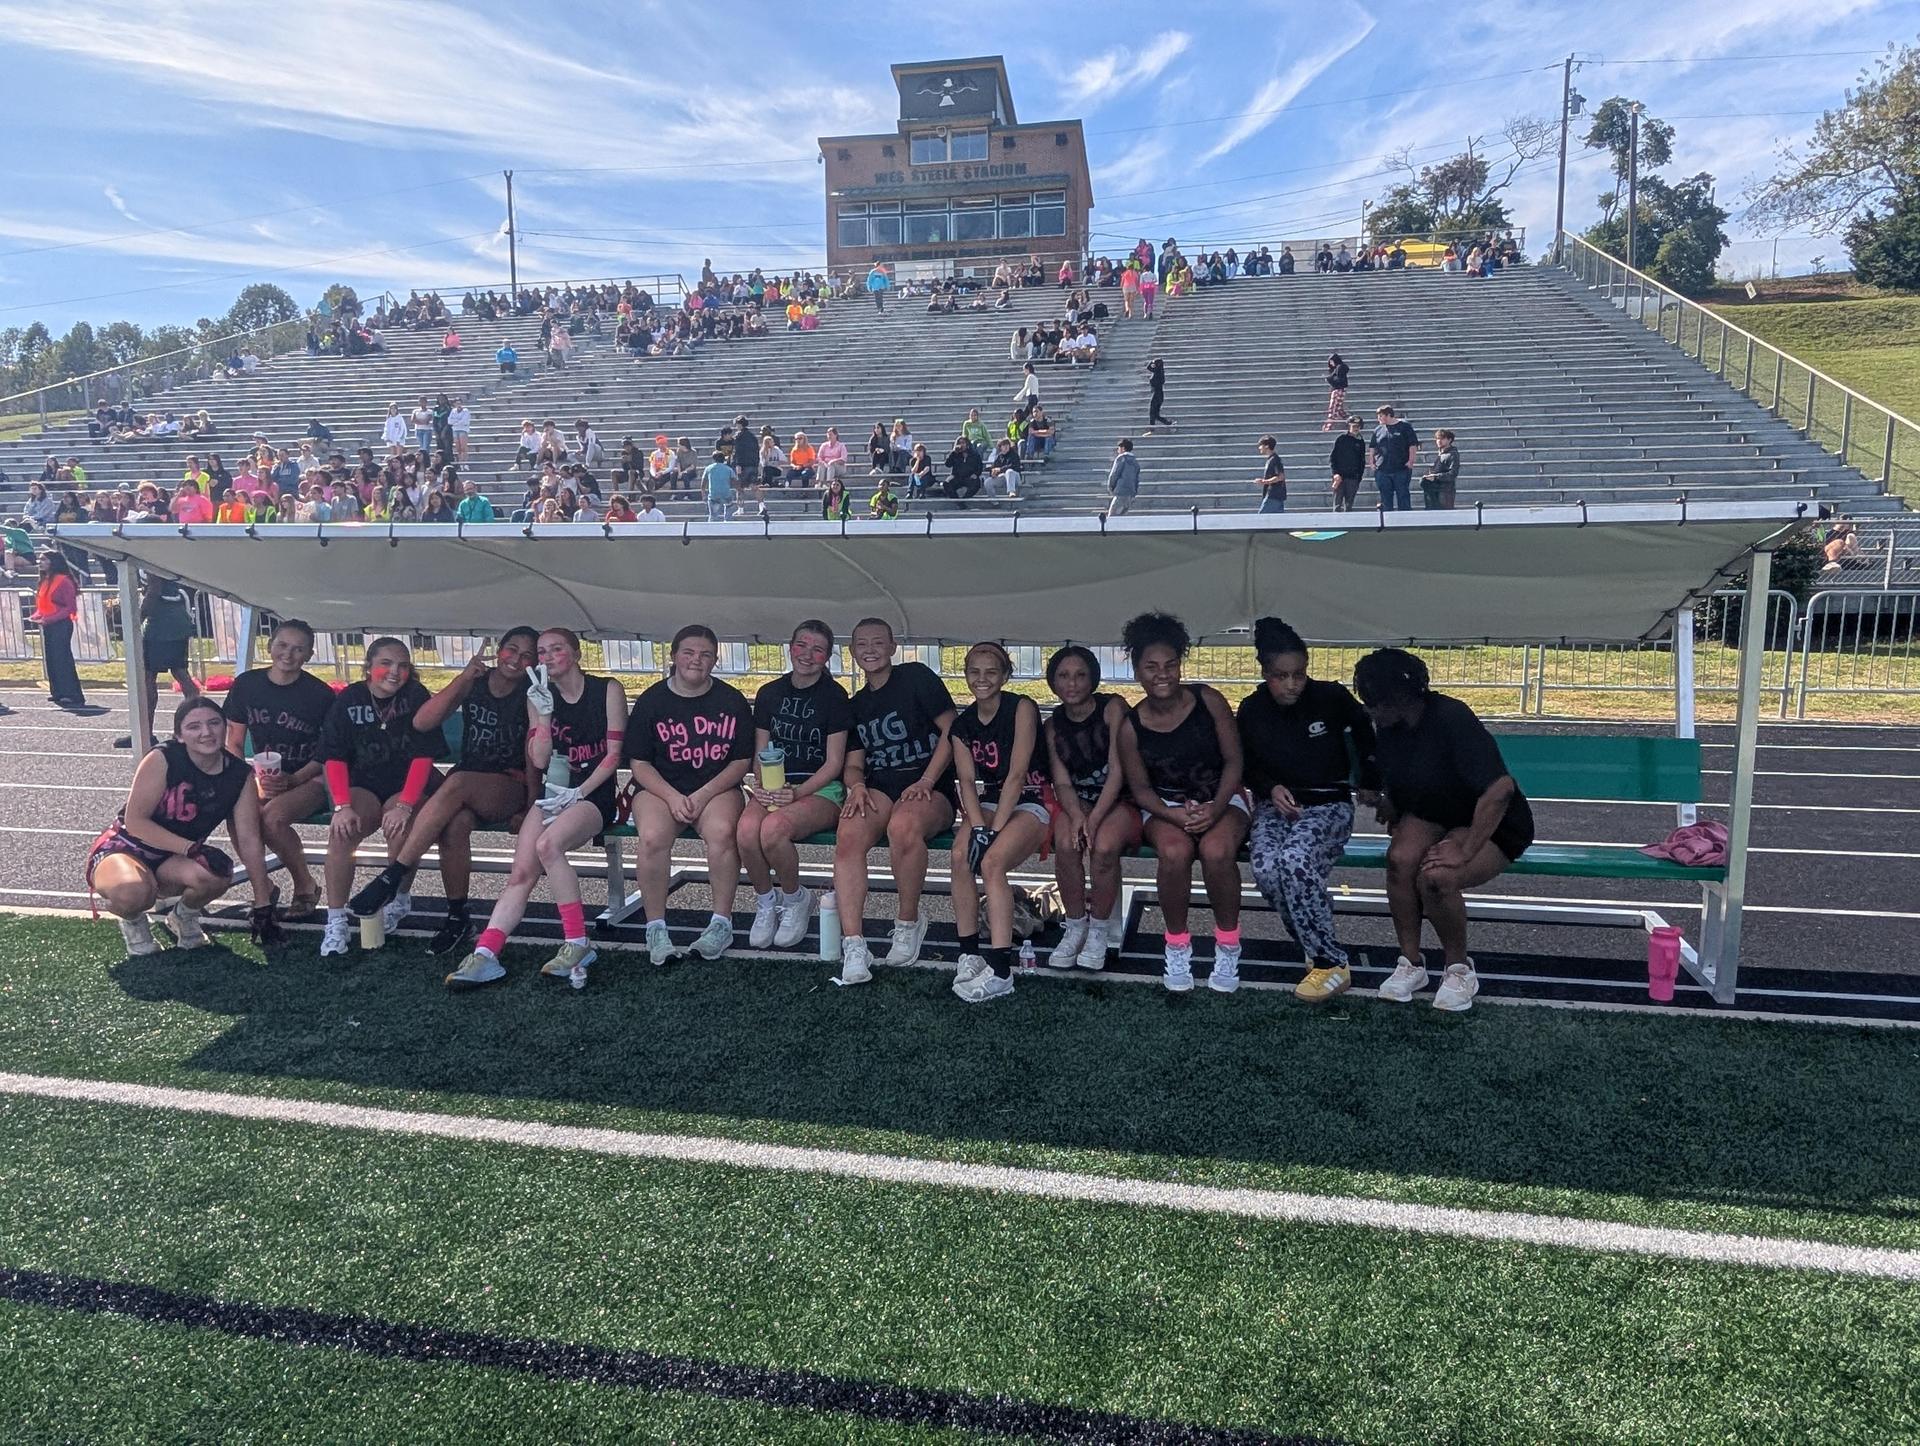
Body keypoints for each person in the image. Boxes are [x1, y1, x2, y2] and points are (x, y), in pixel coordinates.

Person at [1352, 648, 1534, 1013]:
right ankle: (1411, 964)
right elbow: (1403, 777)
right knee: (1400, 859)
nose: (1369, 710)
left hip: (1492, 819)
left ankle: (1459, 969)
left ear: (1399, 698)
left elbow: (1500, 790)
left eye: (1374, 702)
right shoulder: (1390, 726)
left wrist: (1465, 849)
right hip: (1437, 812)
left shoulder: (1451, 718)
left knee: (1435, 878)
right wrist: (1384, 798)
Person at [447, 630, 629, 990]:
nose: (547, 657)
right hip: (553, 792)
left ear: (575, 653)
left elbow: (611, 757)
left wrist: (579, 792)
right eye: (542, 652)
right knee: (521, 871)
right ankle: (487, 952)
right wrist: (543, 719)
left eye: (556, 649)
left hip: (593, 794)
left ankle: (577, 942)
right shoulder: (537, 695)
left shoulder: (607, 689)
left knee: (549, 846)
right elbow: (539, 758)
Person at [348, 630, 537, 957]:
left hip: (508, 784)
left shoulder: (533, 691)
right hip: (464, 786)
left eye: (527, 656)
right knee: (455, 825)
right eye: (511, 650)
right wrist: (464, 678)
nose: (516, 660)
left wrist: (531, 807)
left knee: (458, 782)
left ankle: (393, 875)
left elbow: (534, 756)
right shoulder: (477, 681)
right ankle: (458, 915)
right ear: (499, 649)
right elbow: (423, 722)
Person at [1237, 617, 1378, 1002]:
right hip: (1276, 806)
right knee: (1267, 869)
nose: (1292, 684)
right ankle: (1314, 934)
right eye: (1281, 676)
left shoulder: (1330, 698)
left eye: (1299, 674)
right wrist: (1270, 787)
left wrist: (1370, 779)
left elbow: (1367, 733)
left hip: (1328, 805)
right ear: (1265, 672)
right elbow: (1246, 764)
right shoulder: (1251, 710)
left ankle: (1330, 962)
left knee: (1295, 861)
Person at [1115, 611, 1250, 992]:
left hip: (1221, 798)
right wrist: (1173, 814)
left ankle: (1227, 947)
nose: (1162, 674)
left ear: (1180, 665)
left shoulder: (1208, 700)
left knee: (1217, 850)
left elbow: (1234, 760)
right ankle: (1177, 947)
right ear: (1138, 670)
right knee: (1173, 854)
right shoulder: (1131, 725)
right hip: (1165, 806)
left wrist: (1216, 808)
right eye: (1151, 666)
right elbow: (1141, 790)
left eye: (1170, 665)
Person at [87, 697, 281, 957]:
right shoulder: (162, 758)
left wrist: (262, 901)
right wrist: (190, 848)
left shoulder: (239, 775)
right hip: (127, 847)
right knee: (133, 892)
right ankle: (132, 920)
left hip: (174, 857)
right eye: (194, 727)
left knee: (216, 875)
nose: (206, 732)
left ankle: (183, 917)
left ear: (225, 727)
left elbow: (249, 838)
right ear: (179, 735)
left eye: (214, 723)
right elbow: (136, 822)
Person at [832, 618, 958, 984]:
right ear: (853, 652)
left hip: (930, 784)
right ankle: (854, 943)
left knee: (904, 826)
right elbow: (855, 764)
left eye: (878, 642)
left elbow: (952, 730)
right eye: (861, 644)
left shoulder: (916, 677)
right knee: (849, 833)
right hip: (882, 785)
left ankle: (907, 921)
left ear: (892, 648)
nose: (870, 649)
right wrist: (855, 786)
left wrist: (927, 779)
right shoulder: (855, 704)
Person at [623, 624, 754, 965]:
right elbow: (639, 762)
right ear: (674, 656)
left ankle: (721, 923)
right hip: (661, 787)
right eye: (689, 652)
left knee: (723, 832)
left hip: (716, 786)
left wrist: (703, 793)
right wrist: (672, 797)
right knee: (651, 837)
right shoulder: (652, 700)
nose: (697, 659)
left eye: (706, 654)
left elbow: (741, 761)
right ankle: (656, 927)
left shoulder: (731, 700)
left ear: (715, 660)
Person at [315, 637, 449, 957]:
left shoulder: (416, 696)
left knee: (400, 827)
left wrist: (404, 805)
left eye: (403, 665)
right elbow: (333, 756)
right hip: (363, 783)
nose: (394, 672)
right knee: (342, 831)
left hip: (405, 784)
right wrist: (342, 806)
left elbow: (422, 757)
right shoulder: (350, 698)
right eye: (386, 663)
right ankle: (335, 919)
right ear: (369, 667)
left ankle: (399, 899)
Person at [738, 619, 851, 951]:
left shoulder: (834, 696)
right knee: (745, 832)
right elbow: (761, 751)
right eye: (802, 645)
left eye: (818, 649)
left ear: (826, 658)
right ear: (790, 648)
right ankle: (765, 903)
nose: (807, 654)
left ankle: (795, 898)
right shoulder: (770, 693)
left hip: (820, 790)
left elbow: (833, 763)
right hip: (775, 785)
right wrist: (761, 785)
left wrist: (796, 793)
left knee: (773, 830)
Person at [947, 643, 1050, 1003]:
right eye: (975, 671)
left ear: (1005, 675)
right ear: (966, 675)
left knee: (991, 862)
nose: (982, 679)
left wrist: (992, 831)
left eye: (992, 671)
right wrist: (977, 827)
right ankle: (969, 953)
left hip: (1032, 797)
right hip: (992, 800)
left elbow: (1018, 774)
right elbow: (966, 782)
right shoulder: (962, 724)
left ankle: (1002, 970)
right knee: (960, 856)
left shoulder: (1021, 707)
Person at [1043, 646, 1138, 971]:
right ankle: (1075, 926)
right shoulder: (1053, 724)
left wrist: (1094, 819)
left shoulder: (1112, 708)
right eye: (1064, 676)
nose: (1073, 683)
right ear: (1053, 681)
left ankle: (1099, 930)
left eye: (1081, 675)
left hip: (1121, 798)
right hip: (1079, 799)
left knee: (1103, 845)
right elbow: (1063, 782)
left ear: (1093, 678)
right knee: (1067, 842)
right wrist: (1078, 816)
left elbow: (1118, 770)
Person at [116, 573, 201, 750]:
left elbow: (154, 589)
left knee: (148, 676)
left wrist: (137, 618)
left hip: (162, 623)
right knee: (180, 672)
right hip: (176, 619)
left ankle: (145, 733)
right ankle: (195, 722)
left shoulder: (145, 558)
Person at [31, 550, 85, 708]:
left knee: (63, 659)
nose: (40, 562)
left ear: (53, 562)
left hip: (61, 625)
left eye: (44, 560)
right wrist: (37, 616)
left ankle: (72, 693)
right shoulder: (44, 580)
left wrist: (49, 619)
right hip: (49, 624)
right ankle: (58, 691)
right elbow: (44, 604)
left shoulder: (64, 581)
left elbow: (69, 608)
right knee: (52, 659)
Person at [1370, 405, 1419, 513]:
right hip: (1382, 468)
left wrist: (1411, 461)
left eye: (1381, 416)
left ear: (1389, 415)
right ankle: (1387, 522)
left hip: (1401, 468)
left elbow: (1413, 445)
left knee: (1403, 495)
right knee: (1385, 497)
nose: (1378, 419)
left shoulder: (1405, 426)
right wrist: (1372, 462)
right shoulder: (1378, 429)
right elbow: (1373, 447)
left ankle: (1405, 522)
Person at [1329, 416, 1366, 512]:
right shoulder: (1341, 439)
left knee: (1349, 505)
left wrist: (1359, 477)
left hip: (1353, 477)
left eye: (1358, 426)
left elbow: (1361, 461)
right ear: (1349, 427)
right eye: (1353, 426)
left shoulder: (1361, 442)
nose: (1356, 428)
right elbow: (1333, 458)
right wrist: (1335, 473)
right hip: (1340, 477)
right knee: (1337, 504)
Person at [1421, 429, 1460, 510]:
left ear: (1449, 440)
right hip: (1434, 489)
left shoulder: (1453, 454)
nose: (1439, 441)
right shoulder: (1441, 453)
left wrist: (1436, 477)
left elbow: (1452, 474)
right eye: (1437, 439)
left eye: (1442, 438)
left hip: (1445, 491)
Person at [1105, 437, 1139, 518]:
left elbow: (1114, 474)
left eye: (1119, 448)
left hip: (1121, 491)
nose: (1118, 450)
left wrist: (1111, 487)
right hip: (1131, 492)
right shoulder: (1135, 461)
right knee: (1122, 517)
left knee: (1112, 517)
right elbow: (1136, 479)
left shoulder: (1121, 458)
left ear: (1123, 448)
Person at [1253, 435, 1287, 514]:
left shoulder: (1275, 460)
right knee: (1277, 522)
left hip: (1273, 495)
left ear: (1267, 446)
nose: (1259, 448)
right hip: (1277, 496)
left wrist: (1264, 481)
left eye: (1261, 445)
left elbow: (1280, 477)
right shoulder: (1271, 459)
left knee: (1261, 520)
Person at [702, 449, 736, 522]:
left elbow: (703, 482)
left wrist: (703, 493)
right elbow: (734, 481)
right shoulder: (728, 469)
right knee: (729, 508)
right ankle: (728, 522)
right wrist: (739, 490)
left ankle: (711, 529)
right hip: (726, 494)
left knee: (713, 516)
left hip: (714, 495)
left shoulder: (709, 468)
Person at [1323, 353, 1349, 431]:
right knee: (1340, 410)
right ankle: (1351, 421)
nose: (1331, 364)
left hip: (1338, 391)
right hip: (1340, 390)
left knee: (1333, 408)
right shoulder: (1339, 368)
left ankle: (1328, 427)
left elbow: (1339, 381)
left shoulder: (1339, 368)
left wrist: (1329, 379)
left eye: (1331, 361)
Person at [1146, 358, 1172, 432]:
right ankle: (1167, 423)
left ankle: (1152, 428)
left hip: (1157, 395)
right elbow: (1149, 368)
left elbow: (1148, 367)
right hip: (1159, 395)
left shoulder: (1157, 372)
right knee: (1155, 414)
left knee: (1152, 412)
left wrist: (1152, 362)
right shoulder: (1160, 372)